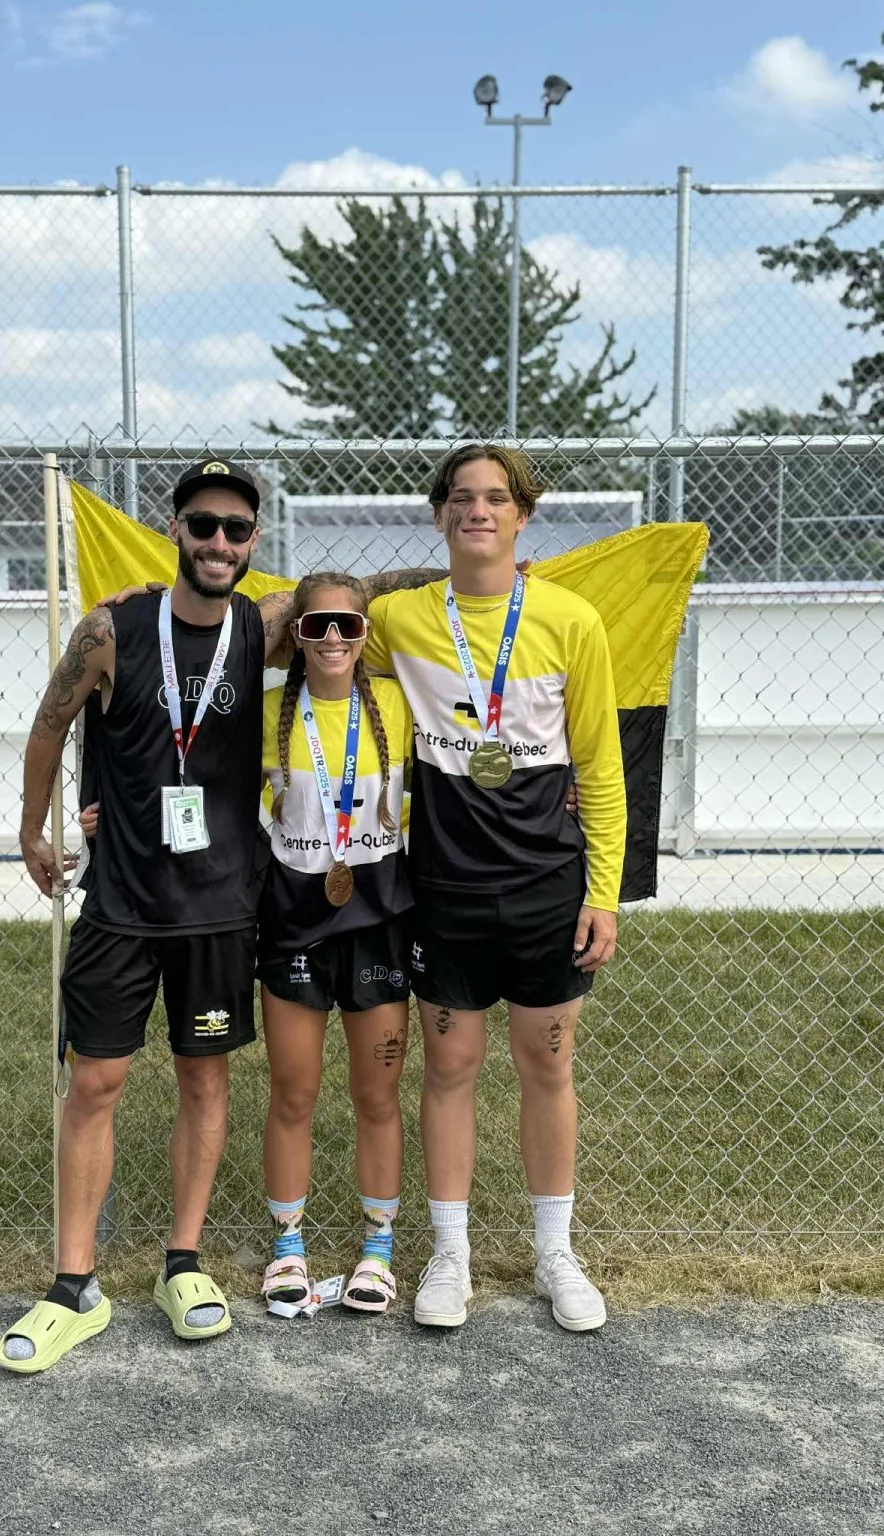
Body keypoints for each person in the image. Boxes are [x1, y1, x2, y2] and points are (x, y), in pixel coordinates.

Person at [0, 458, 439, 1372]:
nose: (219, 542)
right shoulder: (111, 629)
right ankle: (73, 1286)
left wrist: (479, 573)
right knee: (94, 1085)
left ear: (252, 542)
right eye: (203, 524)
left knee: (205, 1084)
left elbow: (354, 597)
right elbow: (49, 725)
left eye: (237, 530)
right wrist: (34, 830)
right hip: (122, 903)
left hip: (220, 910)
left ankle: (183, 1264)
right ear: (177, 530)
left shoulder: (260, 627)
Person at [362, 443, 627, 1334]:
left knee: (547, 1064)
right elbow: (309, 626)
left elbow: (601, 767)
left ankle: (556, 1254)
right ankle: (452, 1255)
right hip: (444, 888)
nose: (479, 510)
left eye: (497, 498)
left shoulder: (571, 619)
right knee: (450, 1068)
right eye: (463, 497)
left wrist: (602, 892)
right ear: (441, 514)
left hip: (548, 885)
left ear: (523, 515)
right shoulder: (398, 620)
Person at [257, 573, 413, 1315]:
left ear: (365, 636)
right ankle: (288, 1247)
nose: (331, 639)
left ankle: (377, 1251)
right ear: (294, 634)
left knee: (376, 1094)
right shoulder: (265, 712)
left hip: (378, 919)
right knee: (294, 1092)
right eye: (315, 625)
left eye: (347, 626)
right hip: (293, 920)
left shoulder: (397, 704)